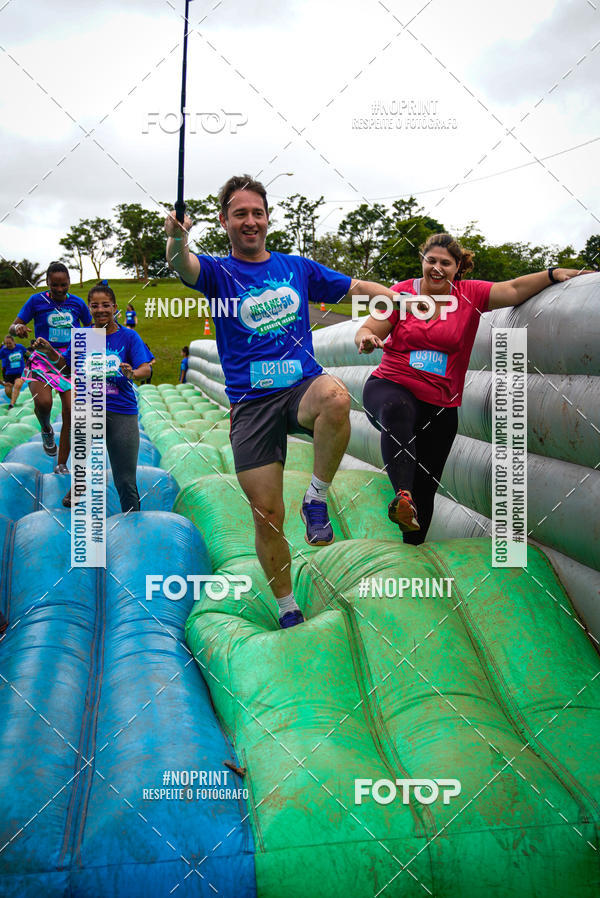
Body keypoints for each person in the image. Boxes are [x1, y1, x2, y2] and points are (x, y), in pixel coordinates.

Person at [165, 173, 399, 629]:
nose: (249, 221)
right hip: (251, 405)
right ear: (224, 221)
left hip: (299, 386)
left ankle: (317, 498)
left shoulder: (296, 267)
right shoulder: (216, 271)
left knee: (336, 396)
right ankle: (287, 605)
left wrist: (393, 296)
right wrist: (176, 239)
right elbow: (182, 265)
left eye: (257, 212)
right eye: (240, 214)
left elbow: (352, 287)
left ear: (268, 218)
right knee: (267, 514)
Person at [357, 232, 593, 544]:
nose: (437, 268)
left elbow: (512, 289)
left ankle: (412, 550)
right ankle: (402, 495)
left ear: (457, 268)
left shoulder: (469, 295)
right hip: (391, 385)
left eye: (446, 263)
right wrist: (365, 337)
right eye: (432, 260)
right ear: (422, 261)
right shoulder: (402, 293)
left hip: (441, 405)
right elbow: (370, 326)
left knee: (426, 488)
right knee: (398, 411)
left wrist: (552, 274)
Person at [33, 285, 152, 512]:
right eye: (95, 305)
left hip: (122, 411)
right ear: (89, 308)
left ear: (115, 308)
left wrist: (133, 373)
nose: (100, 310)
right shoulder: (84, 337)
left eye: (106, 305)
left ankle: (133, 519)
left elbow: (145, 369)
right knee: (80, 463)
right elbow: (67, 368)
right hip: (89, 408)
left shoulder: (128, 336)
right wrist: (50, 351)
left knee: (125, 479)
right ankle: (78, 487)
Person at [9, 262, 92, 472]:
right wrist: (18, 328)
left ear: (69, 283)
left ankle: (62, 463)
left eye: (64, 284)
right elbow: (13, 325)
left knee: (71, 411)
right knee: (44, 404)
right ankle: (46, 428)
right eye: (55, 285)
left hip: (68, 361)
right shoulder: (36, 301)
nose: (60, 289)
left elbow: (92, 328)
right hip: (42, 359)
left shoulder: (78, 304)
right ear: (47, 283)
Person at [0, 335, 26, 408]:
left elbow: (28, 354)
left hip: (20, 372)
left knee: (17, 385)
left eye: (9, 343)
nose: (8, 345)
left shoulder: (20, 347)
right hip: (9, 374)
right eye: (6, 343)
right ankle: (14, 399)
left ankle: (11, 404)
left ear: (14, 342)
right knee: (8, 391)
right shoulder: (3, 350)